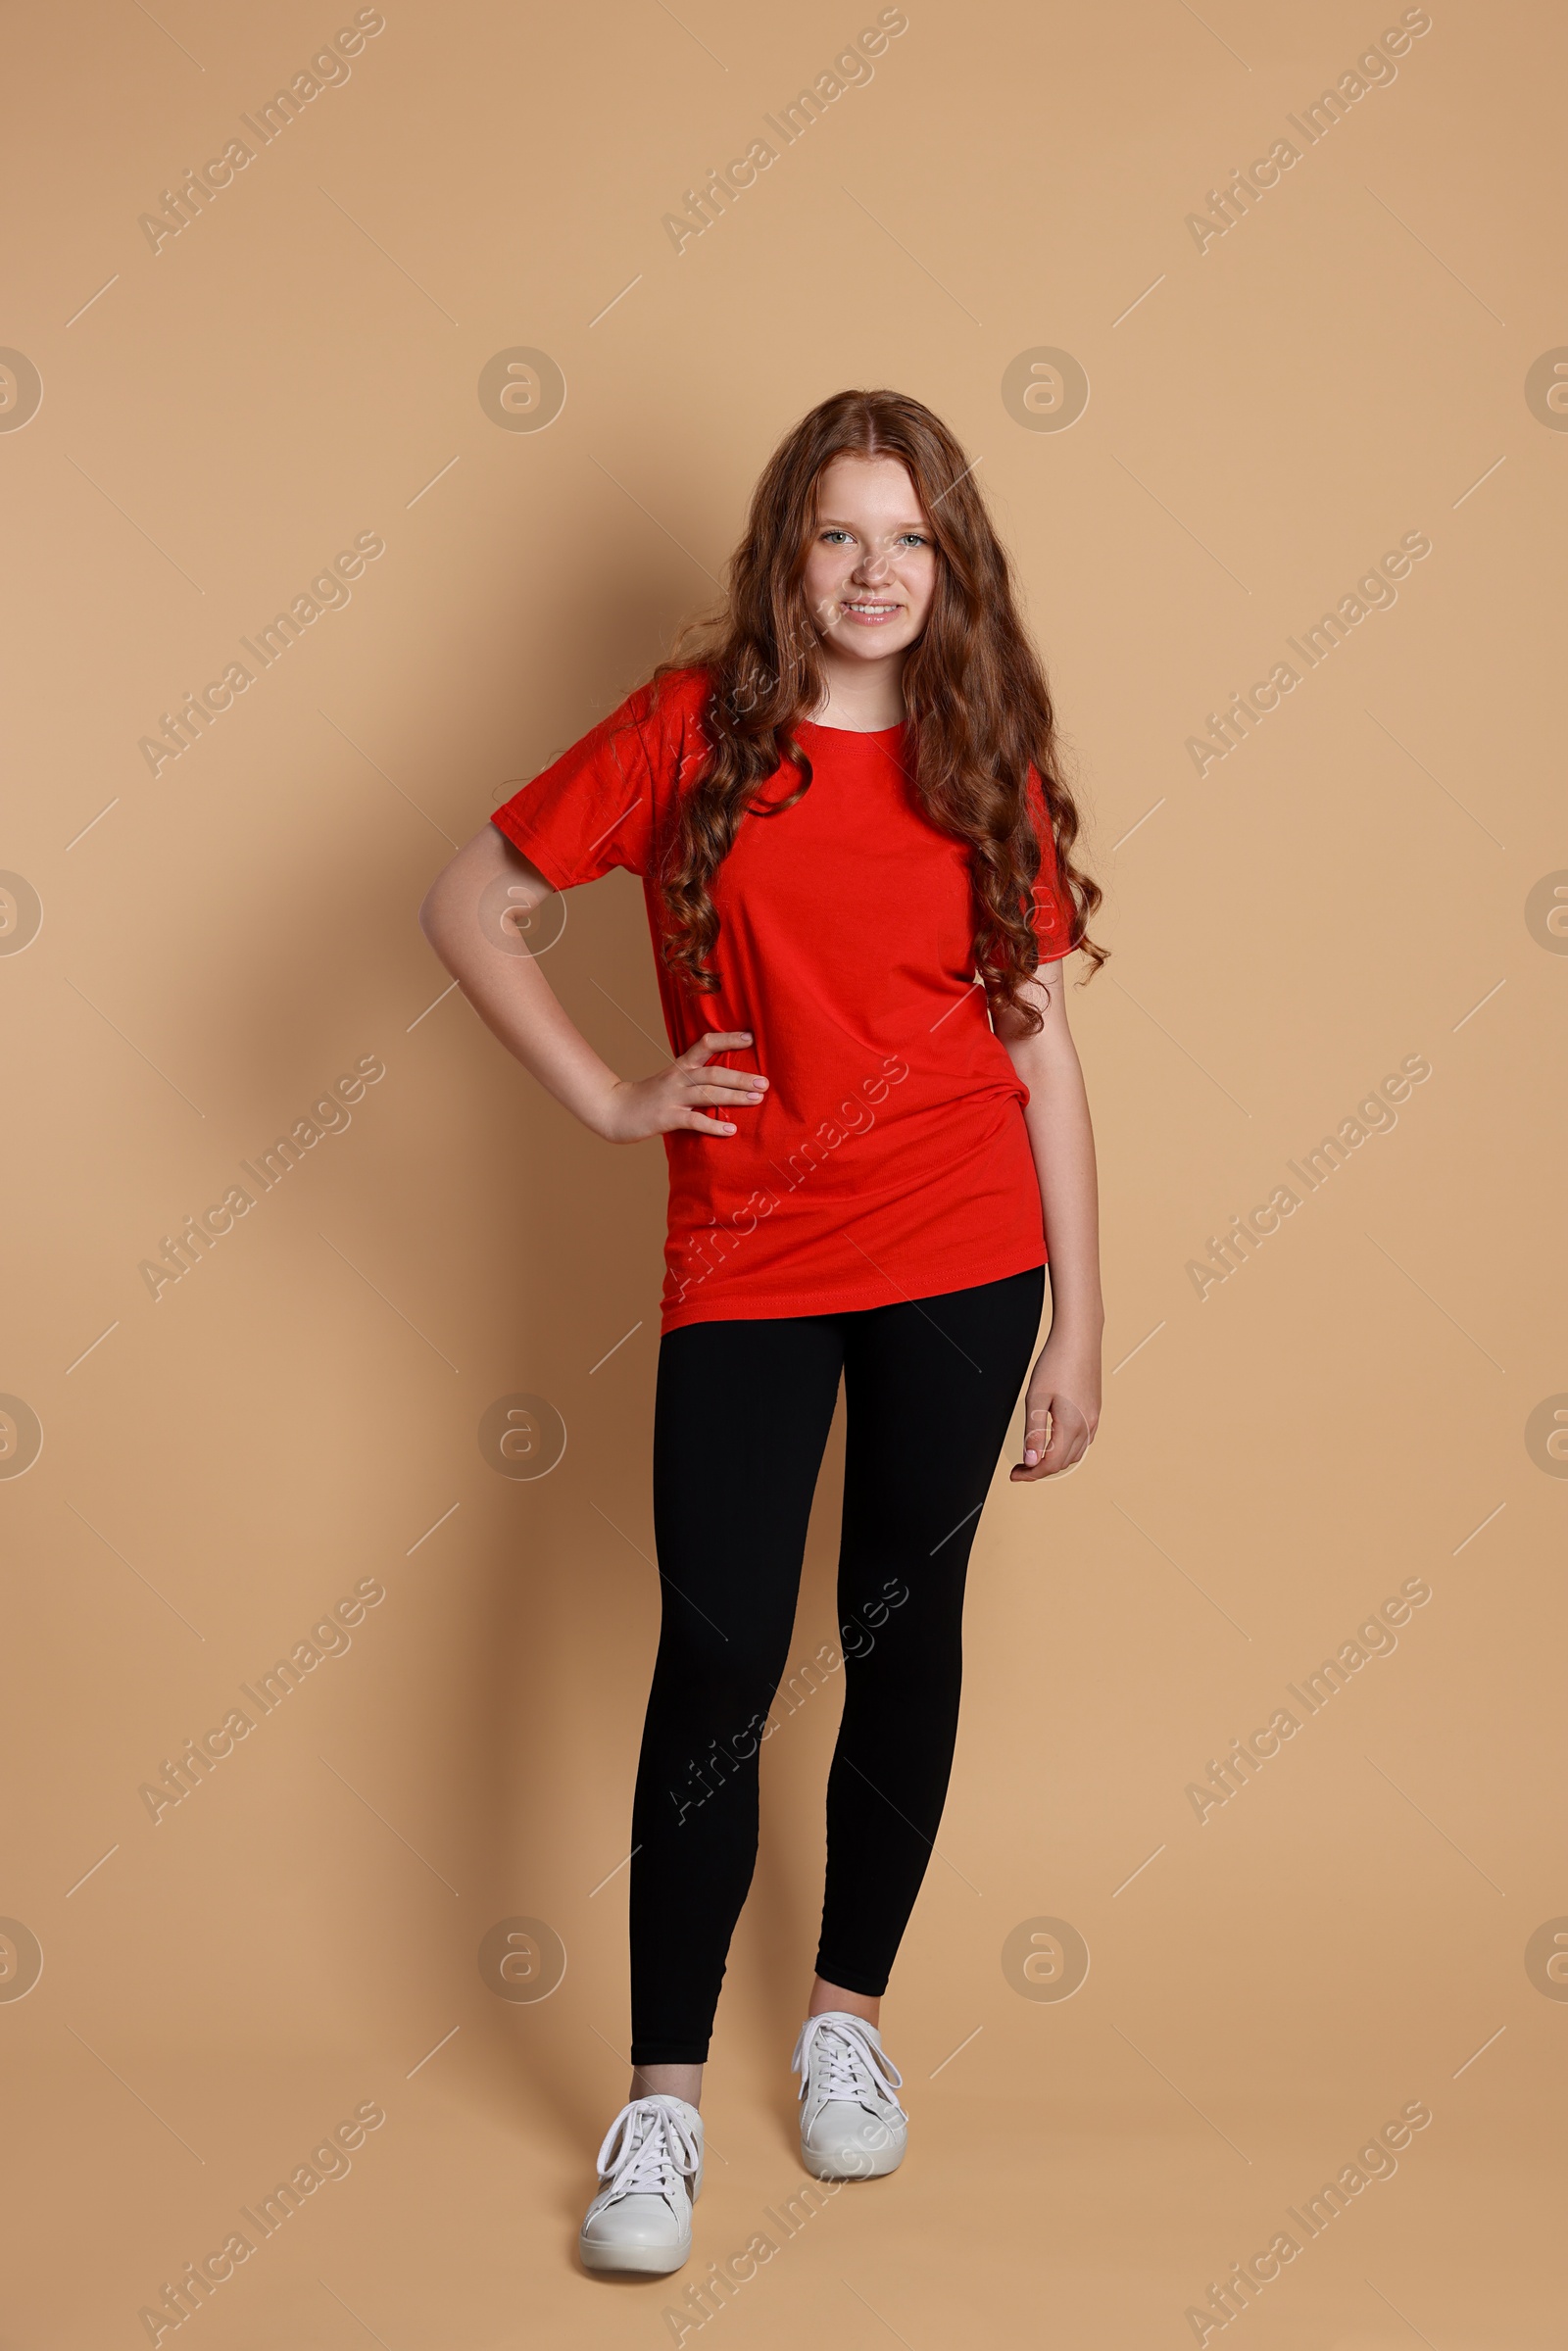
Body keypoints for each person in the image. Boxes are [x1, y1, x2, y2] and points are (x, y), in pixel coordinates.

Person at [417, 387, 1105, 2278]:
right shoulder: (686, 736)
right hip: (750, 1262)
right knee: (715, 1657)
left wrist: (1083, 1325)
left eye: (910, 538)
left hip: (971, 1261)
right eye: (839, 536)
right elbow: (469, 901)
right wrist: (610, 1099)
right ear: (785, 555)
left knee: (906, 1631)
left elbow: (1042, 1050)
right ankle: (657, 2110)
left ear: (947, 563)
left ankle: (847, 2027)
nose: (876, 571)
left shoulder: (988, 761)